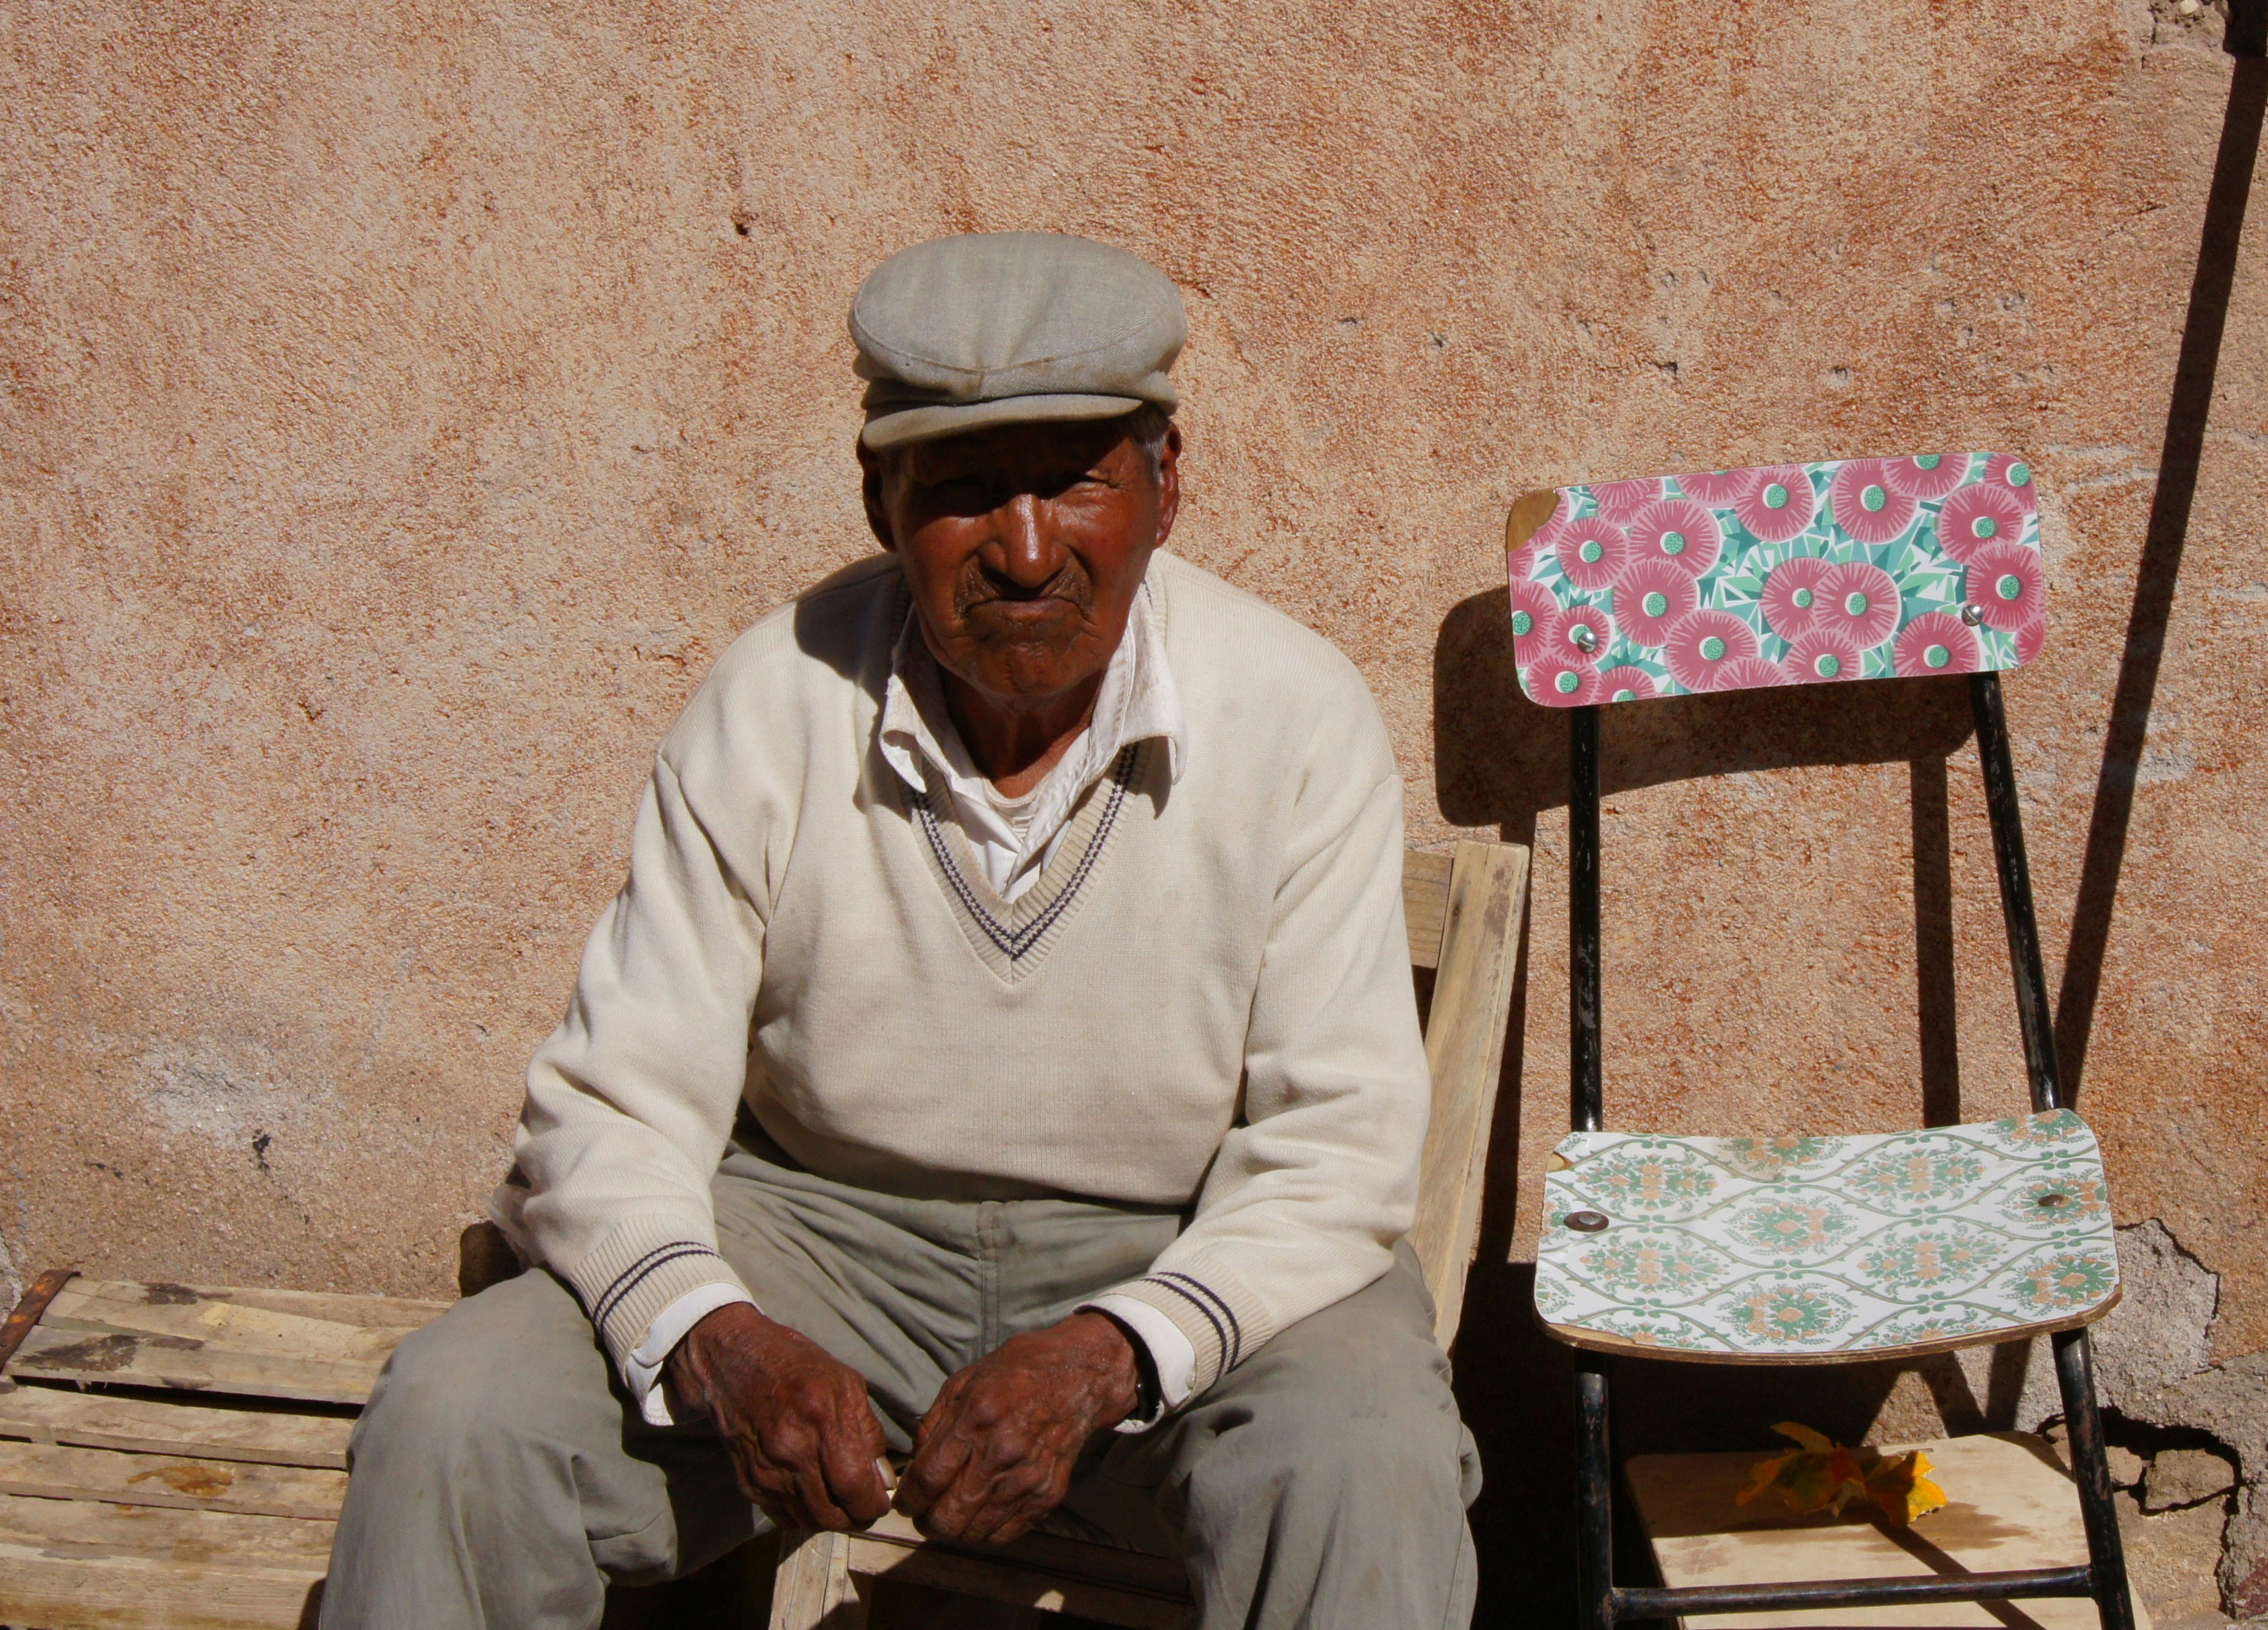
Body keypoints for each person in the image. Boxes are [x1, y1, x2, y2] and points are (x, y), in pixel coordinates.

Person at [323, 233, 1478, 1629]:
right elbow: (614, 1103)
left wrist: (1114, 1350)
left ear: (1166, 486)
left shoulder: (1293, 712)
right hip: (816, 1240)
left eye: (1076, 480)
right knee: (456, 1418)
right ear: (880, 500)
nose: (1027, 549)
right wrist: (717, 1335)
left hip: (1175, 1247)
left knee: (1367, 1452)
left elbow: (1335, 1148)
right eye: (964, 489)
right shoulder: (773, 699)